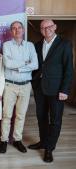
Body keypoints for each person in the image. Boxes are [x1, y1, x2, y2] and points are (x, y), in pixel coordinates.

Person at [29, 19, 74, 162]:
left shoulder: (64, 44)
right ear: (40, 30)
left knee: (55, 120)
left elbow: (68, 69)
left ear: (54, 27)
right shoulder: (37, 45)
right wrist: (33, 80)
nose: (45, 29)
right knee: (41, 117)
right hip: (40, 88)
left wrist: (65, 90)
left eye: (48, 26)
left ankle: (49, 148)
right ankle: (43, 142)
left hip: (56, 90)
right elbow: (35, 65)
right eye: (42, 28)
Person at [0, 21, 38, 154]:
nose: (17, 30)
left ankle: (17, 139)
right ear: (11, 31)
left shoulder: (30, 46)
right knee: (6, 115)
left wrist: (19, 68)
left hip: (26, 86)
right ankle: (3, 140)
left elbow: (35, 65)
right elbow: (8, 63)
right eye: (14, 28)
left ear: (23, 30)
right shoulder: (7, 45)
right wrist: (25, 63)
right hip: (10, 85)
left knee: (20, 115)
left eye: (19, 28)